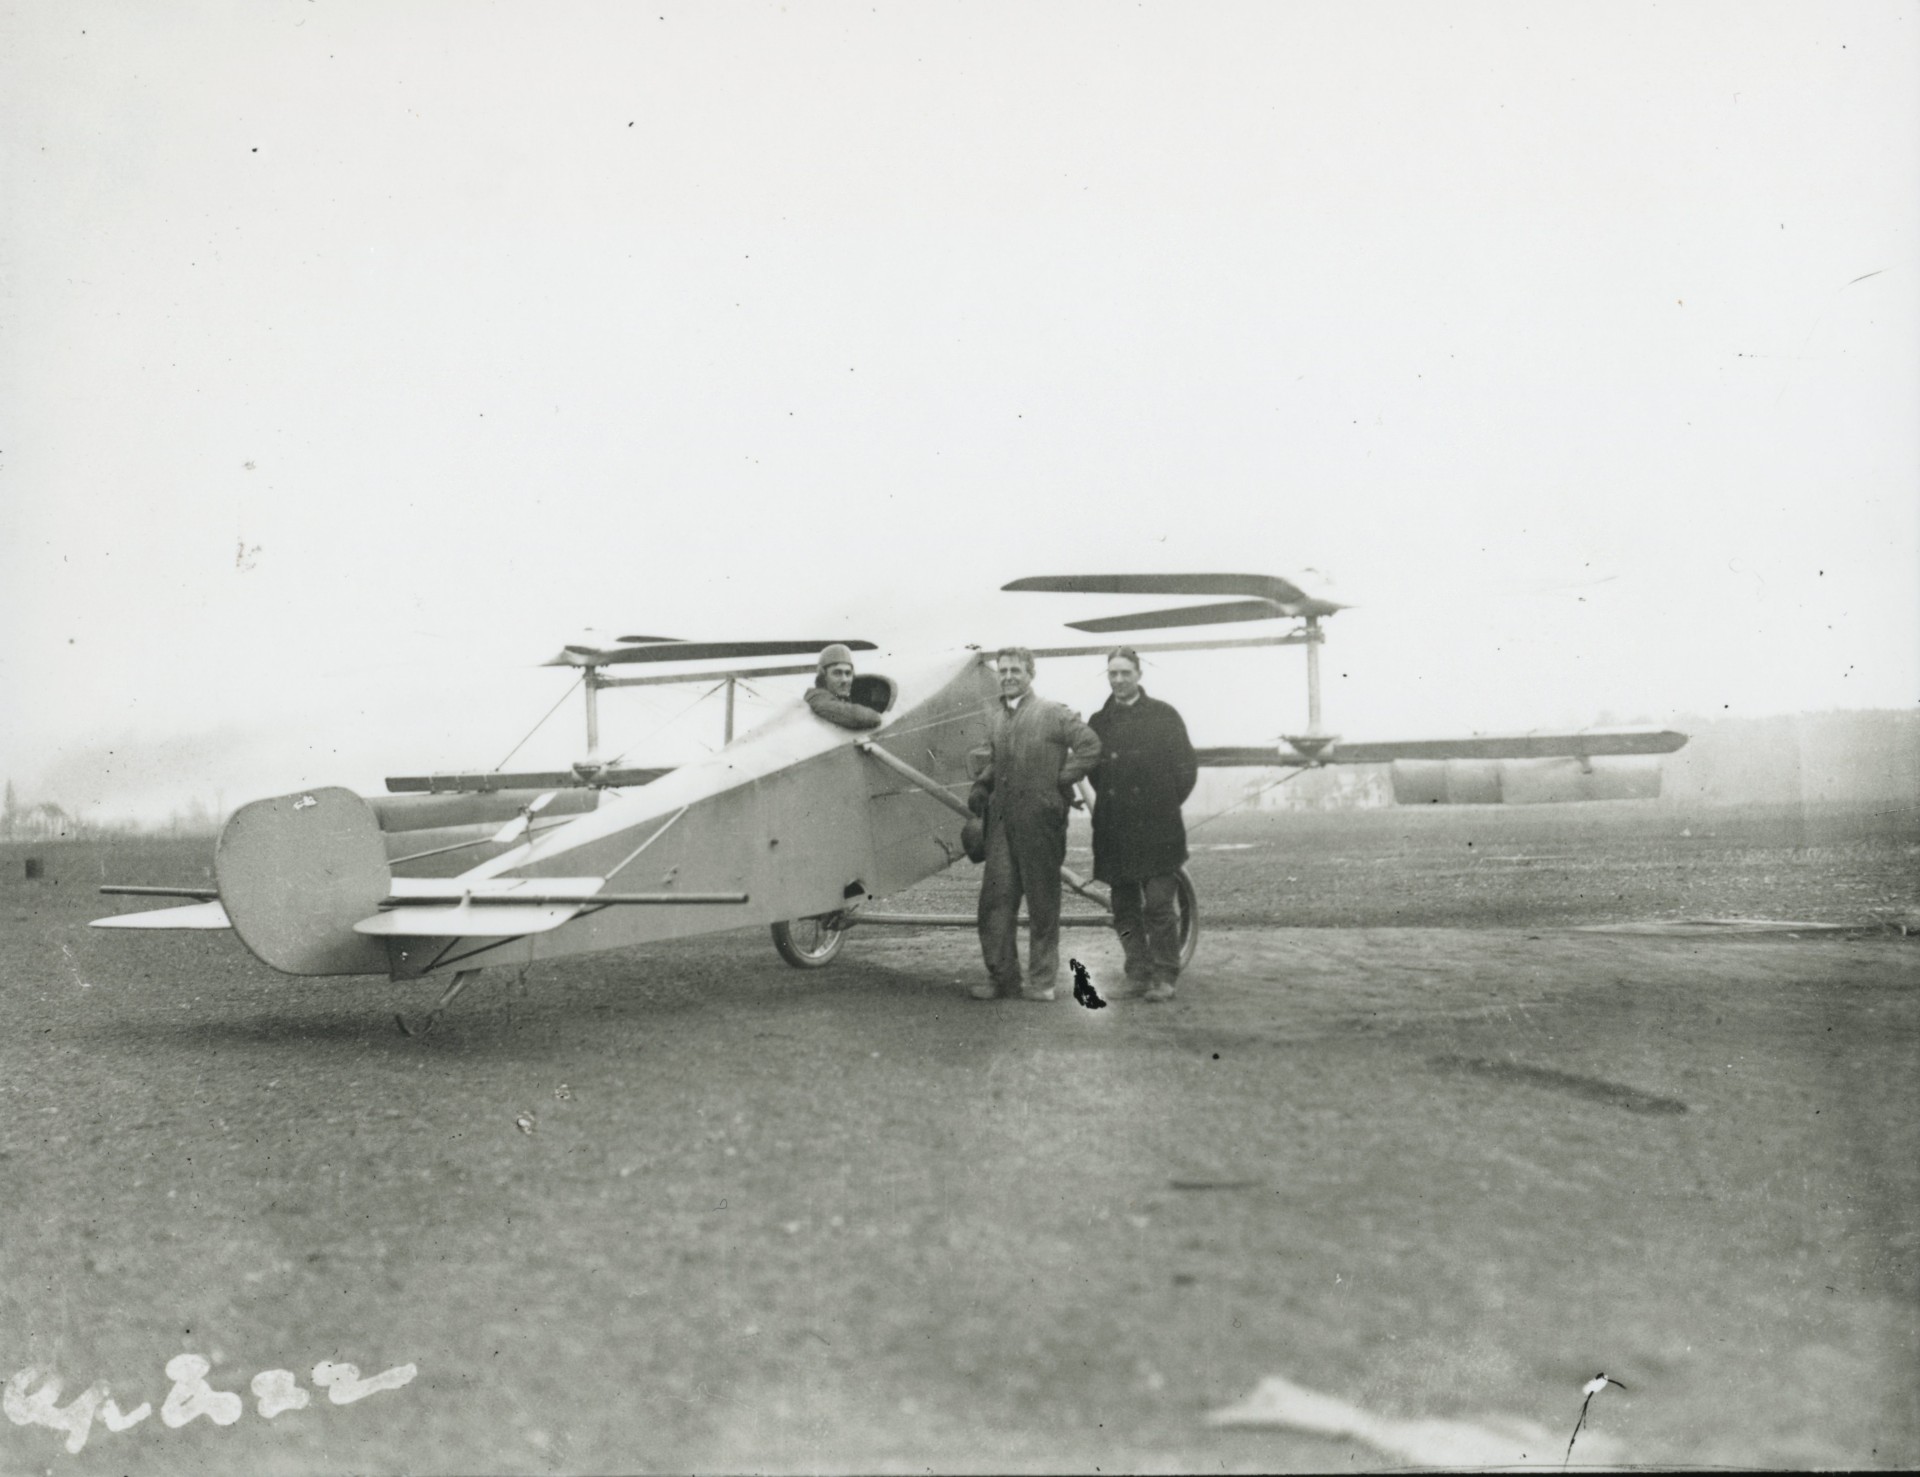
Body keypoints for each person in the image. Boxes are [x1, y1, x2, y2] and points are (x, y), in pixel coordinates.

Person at [967, 647, 1102, 1002]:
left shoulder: (1052, 712)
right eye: (1004, 670)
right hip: (1000, 825)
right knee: (995, 902)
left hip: (1041, 822)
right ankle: (1002, 979)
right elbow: (996, 761)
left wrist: (1060, 779)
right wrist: (982, 784)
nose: (1008, 675)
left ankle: (1041, 983)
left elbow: (1089, 746)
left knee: (1043, 904)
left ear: (1031, 674)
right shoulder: (997, 717)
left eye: (1016, 669)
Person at [1087, 646, 1197, 1002]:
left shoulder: (1165, 716)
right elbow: (1095, 774)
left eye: (1125, 673)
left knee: (1159, 905)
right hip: (1115, 828)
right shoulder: (1098, 721)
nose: (1119, 680)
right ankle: (1137, 971)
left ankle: (1165, 975)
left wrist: (1160, 805)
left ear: (1139, 675)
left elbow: (1186, 771)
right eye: (1113, 674)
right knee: (1124, 907)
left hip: (1157, 828)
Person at [805, 643, 883, 730]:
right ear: (823, 677)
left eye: (848, 673)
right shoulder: (816, 697)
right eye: (837, 673)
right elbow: (864, 718)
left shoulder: (838, 698)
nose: (844, 680)